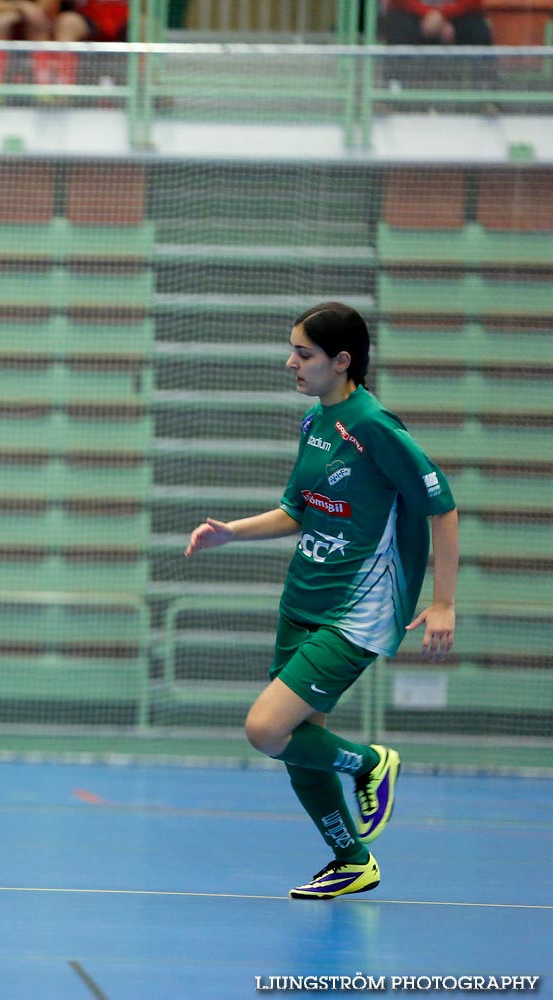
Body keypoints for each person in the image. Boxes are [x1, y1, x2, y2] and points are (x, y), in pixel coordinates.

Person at [185, 302, 459, 900]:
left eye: (303, 354)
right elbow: (296, 511)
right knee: (299, 747)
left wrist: (443, 602)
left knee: (266, 729)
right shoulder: (315, 423)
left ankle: (370, 764)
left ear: (342, 361)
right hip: (302, 599)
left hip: (355, 610)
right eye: (293, 350)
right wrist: (232, 531)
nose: (291, 363)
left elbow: (442, 505)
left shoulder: (376, 427)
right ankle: (350, 859)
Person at [380, 0, 492, 46]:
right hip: (417, 17)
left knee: (477, 29)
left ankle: (484, 86)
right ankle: (397, 86)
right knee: (398, 23)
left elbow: (475, 3)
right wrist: (429, 14)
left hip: (454, 18)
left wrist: (444, 15)